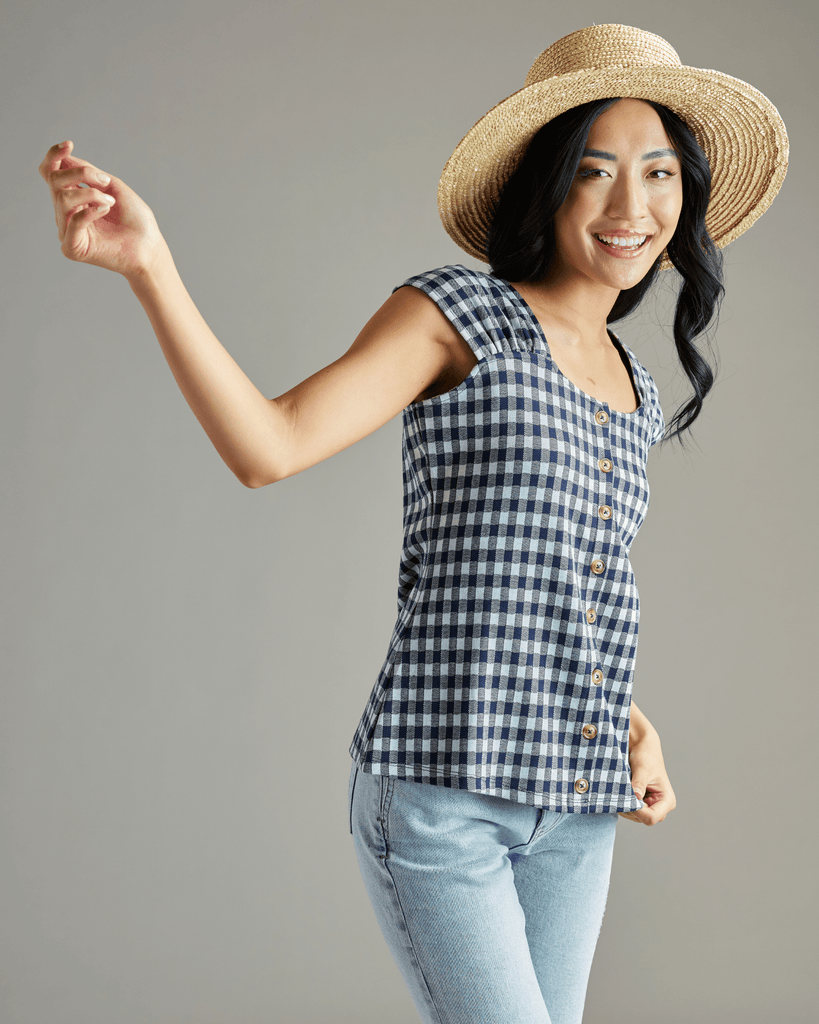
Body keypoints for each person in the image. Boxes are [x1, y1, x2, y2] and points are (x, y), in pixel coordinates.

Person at [39, 22, 787, 1024]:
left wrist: (632, 726)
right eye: (595, 171)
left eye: (658, 174)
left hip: (578, 805)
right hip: (442, 796)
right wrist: (151, 266)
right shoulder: (457, 316)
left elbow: (566, 584)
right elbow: (268, 444)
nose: (630, 206)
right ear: (547, 183)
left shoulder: (638, 390)